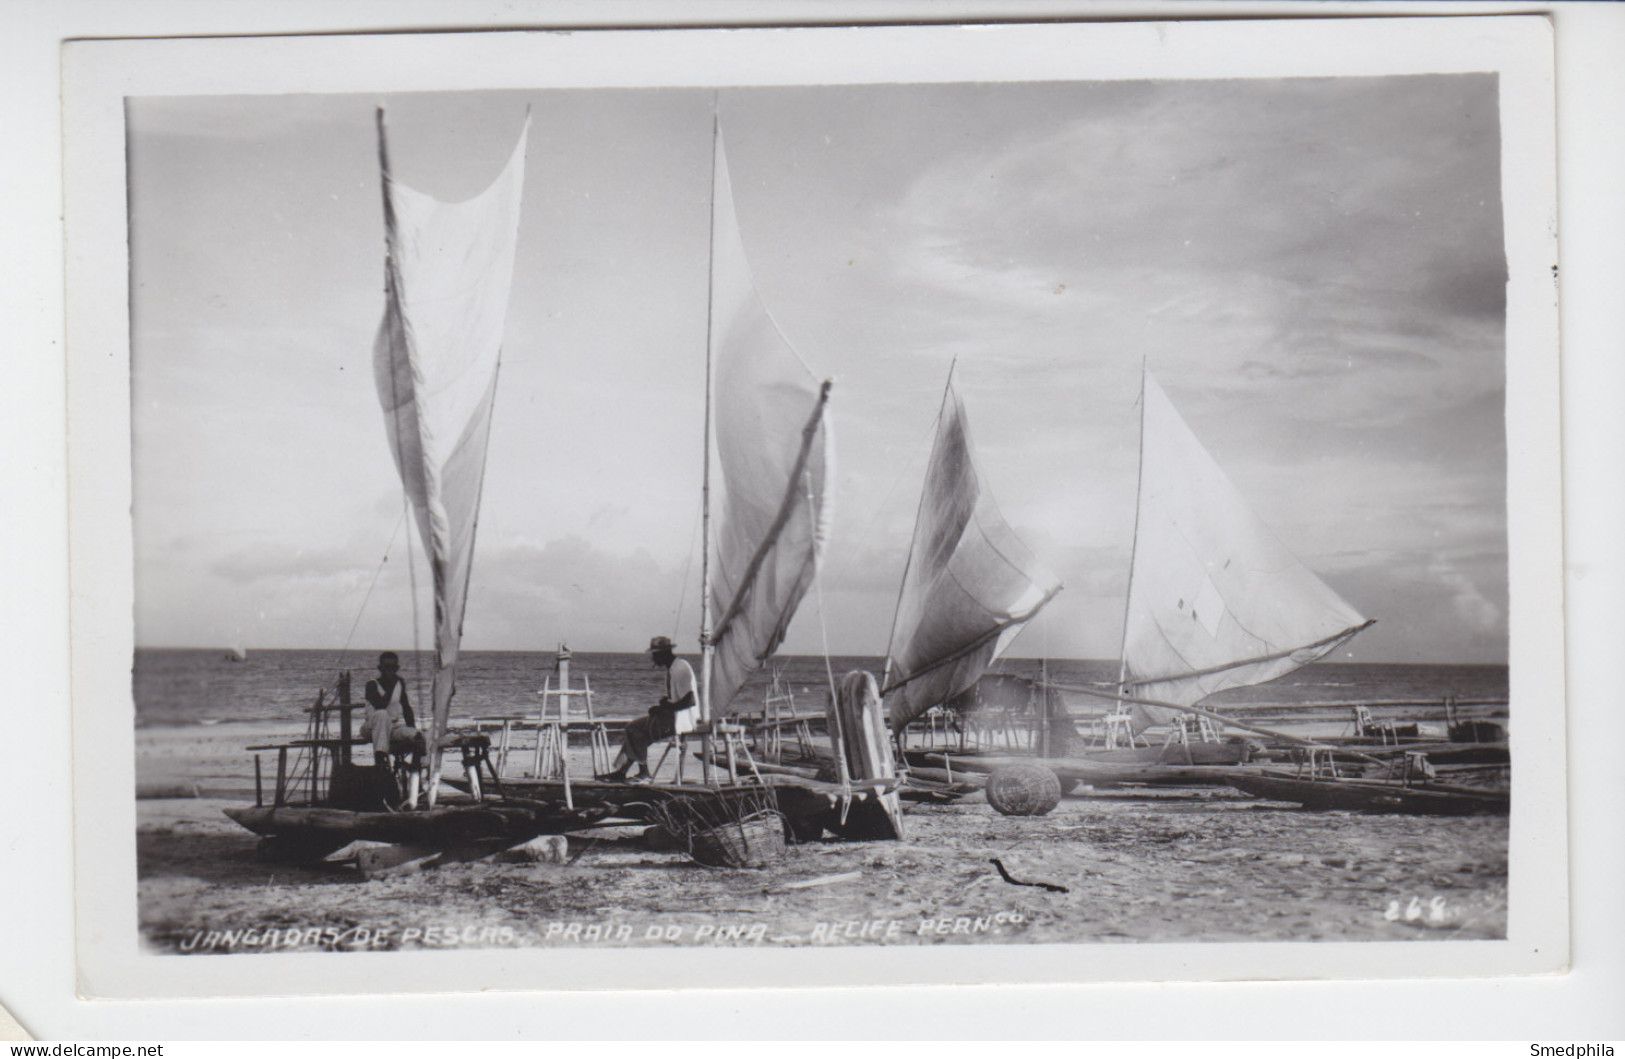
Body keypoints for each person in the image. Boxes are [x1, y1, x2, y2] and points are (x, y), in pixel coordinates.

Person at [600, 636, 697, 782]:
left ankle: (642, 772)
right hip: (675, 716)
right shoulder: (675, 667)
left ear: (662, 654)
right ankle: (621, 772)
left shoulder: (680, 668)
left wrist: (665, 706)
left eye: (655, 655)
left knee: (633, 729)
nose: (653, 658)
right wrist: (663, 707)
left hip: (680, 720)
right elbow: (681, 699)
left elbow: (690, 700)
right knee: (635, 731)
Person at [362, 651, 424, 784]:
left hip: (393, 727)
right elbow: (380, 705)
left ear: (397, 668)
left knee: (418, 736)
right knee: (382, 715)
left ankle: (417, 777)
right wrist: (391, 685)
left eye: (393, 668)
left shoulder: (400, 684)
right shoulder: (371, 684)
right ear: (380, 668)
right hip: (372, 727)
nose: (390, 671)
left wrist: (411, 729)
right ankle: (381, 760)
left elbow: (406, 707)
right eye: (386, 668)